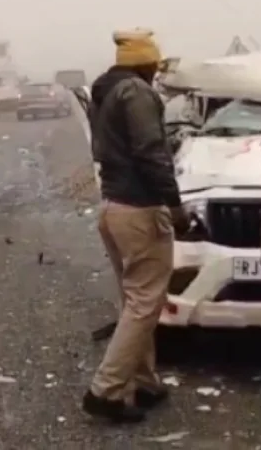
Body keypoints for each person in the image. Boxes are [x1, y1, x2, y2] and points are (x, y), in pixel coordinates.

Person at [82, 29, 189, 423]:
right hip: (141, 209)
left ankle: (143, 381)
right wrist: (174, 204)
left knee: (135, 301)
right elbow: (150, 152)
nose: (156, 74)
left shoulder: (105, 93)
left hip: (113, 207)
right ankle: (106, 391)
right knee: (146, 302)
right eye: (154, 67)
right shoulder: (138, 93)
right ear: (146, 65)